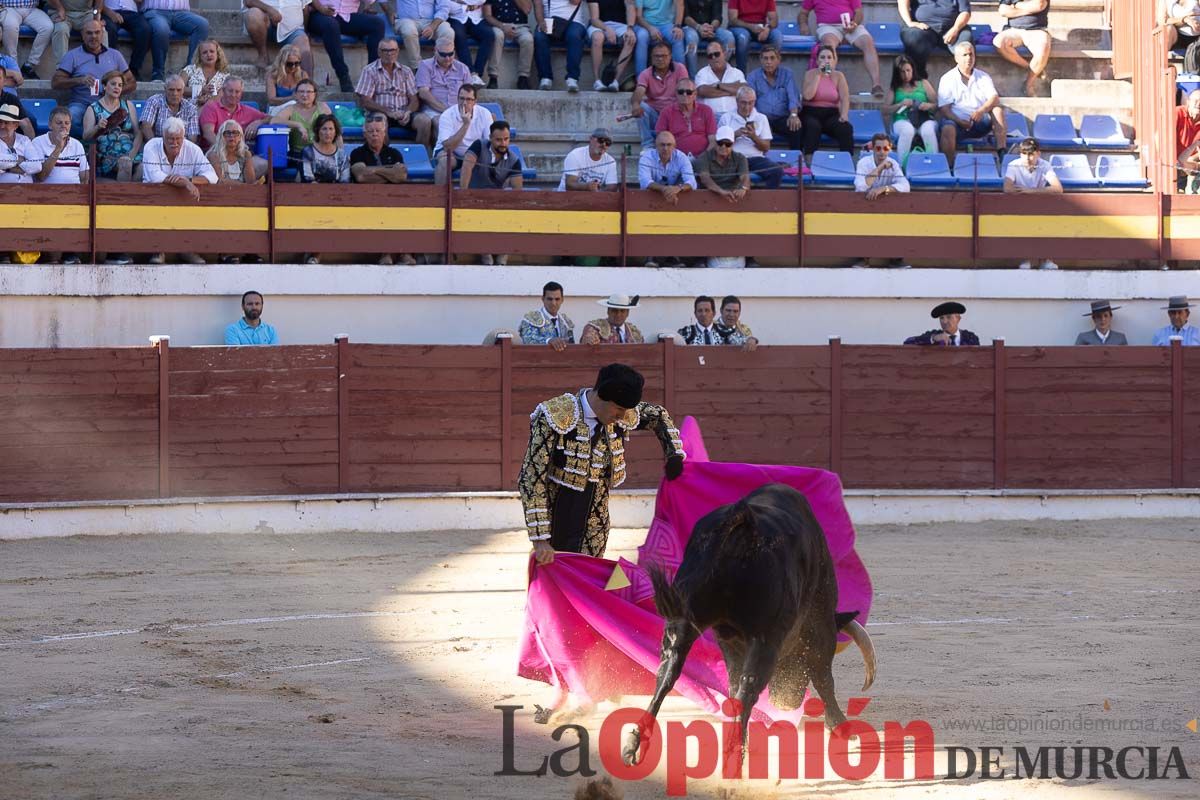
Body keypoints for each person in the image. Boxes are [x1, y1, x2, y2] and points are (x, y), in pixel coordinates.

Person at [519, 361, 684, 562]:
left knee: (588, 574)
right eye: (618, 408)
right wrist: (540, 538)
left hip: (596, 515)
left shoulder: (622, 412)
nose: (622, 416)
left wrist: (674, 454)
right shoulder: (555, 414)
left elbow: (659, 416)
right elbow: (531, 476)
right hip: (558, 510)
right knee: (555, 576)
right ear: (602, 396)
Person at [142, 116, 215, 265]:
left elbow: (212, 176)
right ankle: (158, 249)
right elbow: (155, 176)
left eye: (178, 139)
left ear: (184, 137)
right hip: (154, 201)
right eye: (170, 139)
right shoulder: (151, 146)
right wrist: (184, 182)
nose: (174, 143)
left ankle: (187, 249)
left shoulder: (192, 149)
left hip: (183, 203)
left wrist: (189, 180)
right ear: (163, 136)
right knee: (158, 195)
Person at [51, 19, 137, 137]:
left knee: (126, 119)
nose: (93, 36)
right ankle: (85, 146)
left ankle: (100, 144)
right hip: (81, 103)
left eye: (97, 32)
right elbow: (56, 83)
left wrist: (113, 91)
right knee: (68, 119)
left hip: (109, 103)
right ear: (82, 34)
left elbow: (132, 83)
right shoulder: (72, 55)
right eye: (89, 33)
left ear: (102, 34)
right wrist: (79, 80)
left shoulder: (115, 55)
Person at [350, 114, 416, 265]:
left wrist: (374, 171)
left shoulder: (394, 153)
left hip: (394, 198)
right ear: (365, 133)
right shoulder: (357, 153)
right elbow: (361, 176)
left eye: (378, 131)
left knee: (405, 211)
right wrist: (389, 171)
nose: (374, 134)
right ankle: (385, 253)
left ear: (384, 132)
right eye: (371, 131)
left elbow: (401, 176)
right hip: (367, 199)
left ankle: (404, 252)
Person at [461, 120, 523, 265]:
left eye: (506, 139)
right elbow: (466, 167)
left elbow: (518, 192)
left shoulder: (514, 160)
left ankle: (502, 255)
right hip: (473, 198)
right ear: (490, 138)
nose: (503, 143)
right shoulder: (479, 145)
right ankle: (487, 254)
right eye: (498, 140)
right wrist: (464, 194)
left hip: (496, 202)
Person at [937, 41, 1005, 166]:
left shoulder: (983, 76)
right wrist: (959, 121)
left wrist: (981, 110)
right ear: (956, 58)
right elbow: (944, 109)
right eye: (965, 55)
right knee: (947, 128)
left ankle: (1002, 153)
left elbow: (995, 98)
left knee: (998, 111)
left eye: (971, 55)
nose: (969, 58)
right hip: (957, 122)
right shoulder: (947, 78)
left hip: (979, 121)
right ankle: (949, 167)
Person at [799, 0, 882, 97]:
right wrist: (803, 25)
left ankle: (876, 85)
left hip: (851, 24)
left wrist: (854, 23)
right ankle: (828, 84)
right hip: (827, 26)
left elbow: (859, 12)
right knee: (829, 45)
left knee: (868, 42)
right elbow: (803, 13)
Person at [1003, 137, 1061, 270]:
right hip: (1019, 204)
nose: (1027, 158)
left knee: (1047, 225)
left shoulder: (1044, 165)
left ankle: (1047, 258)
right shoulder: (1014, 165)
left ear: (1038, 154)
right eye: (1024, 154)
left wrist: (1030, 191)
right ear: (1020, 154)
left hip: (1039, 203)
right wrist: (1029, 193)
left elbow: (1058, 188)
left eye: (1031, 154)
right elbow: (1007, 188)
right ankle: (1027, 258)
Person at [853, 132, 909, 268]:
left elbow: (905, 186)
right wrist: (880, 167)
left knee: (897, 221)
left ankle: (895, 259)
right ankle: (863, 258)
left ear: (890, 148)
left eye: (885, 148)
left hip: (886, 205)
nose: (881, 152)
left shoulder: (894, 164)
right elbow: (861, 187)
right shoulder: (864, 163)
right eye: (878, 148)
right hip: (864, 204)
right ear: (872, 148)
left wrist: (885, 189)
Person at [306, 0, 386, 92]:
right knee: (331, 26)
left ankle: (372, 76)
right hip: (321, 13)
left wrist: (367, 5)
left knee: (378, 24)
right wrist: (321, 8)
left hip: (347, 15)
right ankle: (343, 75)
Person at [81, 69, 142, 182]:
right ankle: (121, 198)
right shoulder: (93, 108)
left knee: (144, 167)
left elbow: (138, 133)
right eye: (113, 84)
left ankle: (133, 196)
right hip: (107, 154)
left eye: (120, 85)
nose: (117, 87)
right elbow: (86, 136)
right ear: (104, 86)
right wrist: (97, 127)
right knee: (126, 165)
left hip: (130, 151)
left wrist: (132, 154)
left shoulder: (128, 105)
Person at [720, 86, 782, 189]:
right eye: (743, 102)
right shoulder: (726, 117)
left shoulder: (761, 118)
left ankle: (768, 202)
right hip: (733, 158)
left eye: (751, 103)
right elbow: (720, 146)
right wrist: (734, 135)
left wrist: (754, 137)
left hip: (755, 158)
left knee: (776, 171)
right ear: (737, 101)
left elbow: (766, 147)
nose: (747, 107)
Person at [629, 41, 689, 147]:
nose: (660, 59)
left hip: (675, 112)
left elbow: (685, 88)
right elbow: (639, 90)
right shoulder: (645, 73)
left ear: (670, 56)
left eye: (664, 56)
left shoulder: (680, 69)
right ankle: (648, 145)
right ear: (652, 58)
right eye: (656, 56)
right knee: (641, 107)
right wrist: (635, 104)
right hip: (655, 114)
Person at [801, 44, 853, 163]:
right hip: (811, 111)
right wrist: (819, 75)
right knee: (813, 126)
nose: (826, 60)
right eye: (822, 57)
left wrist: (844, 114)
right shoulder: (810, 74)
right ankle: (810, 162)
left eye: (829, 57)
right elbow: (808, 96)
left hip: (831, 113)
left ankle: (847, 162)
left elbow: (845, 97)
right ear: (817, 60)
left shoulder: (838, 76)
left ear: (834, 60)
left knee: (845, 128)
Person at [433, 83, 494, 184]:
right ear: (457, 99)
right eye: (462, 98)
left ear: (475, 102)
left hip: (474, 154)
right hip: (450, 152)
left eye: (469, 99)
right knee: (445, 162)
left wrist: (473, 156)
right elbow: (448, 147)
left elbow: (489, 144)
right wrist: (466, 125)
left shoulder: (485, 114)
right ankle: (439, 197)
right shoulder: (447, 115)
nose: (465, 103)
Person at [884, 53, 938, 164]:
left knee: (928, 131)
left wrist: (928, 106)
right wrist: (900, 104)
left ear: (913, 70)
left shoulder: (923, 83)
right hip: (902, 120)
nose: (906, 74)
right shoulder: (895, 88)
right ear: (897, 73)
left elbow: (937, 104)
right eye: (902, 72)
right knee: (907, 131)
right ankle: (901, 165)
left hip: (924, 118)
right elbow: (884, 110)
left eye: (908, 70)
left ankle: (933, 163)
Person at [898, 0, 972, 80]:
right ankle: (917, 83)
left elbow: (965, 12)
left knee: (965, 46)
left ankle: (967, 80)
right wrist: (910, 22)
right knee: (914, 38)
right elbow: (903, 2)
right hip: (922, 27)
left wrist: (956, 29)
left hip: (953, 28)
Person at [746, 45, 800, 151]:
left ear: (778, 59)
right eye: (765, 58)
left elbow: (793, 97)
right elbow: (750, 101)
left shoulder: (787, 74)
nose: (768, 62)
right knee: (753, 130)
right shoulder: (753, 77)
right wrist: (762, 122)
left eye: (772, 58)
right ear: (760, 60)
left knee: (796, 126)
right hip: (761, 118)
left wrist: (794, 114)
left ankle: (795, 161)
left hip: (782, 118)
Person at [994, 0, 1051, 97]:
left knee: (1044, 47)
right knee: (998, 42)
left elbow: (1040, 5)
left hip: (1037, 30)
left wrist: (1016, 5)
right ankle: (1030, 67)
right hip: (1014, 30)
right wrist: (1029, 10)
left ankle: (1028, 85)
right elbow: (1003, 11)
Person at [199, 77, 269, 151]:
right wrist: (227, 150)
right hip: (214, 152)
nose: (233, 95)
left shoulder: (246, 110)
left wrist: (259, 122)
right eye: (230, 91)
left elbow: (271, 118)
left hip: (238, 153)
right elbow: (208, 134)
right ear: (223, 91)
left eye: (237, 92)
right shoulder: (211, 108)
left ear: (241, 93)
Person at [245, 0, 314, 74]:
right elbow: (249, 1)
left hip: (293, 30)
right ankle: (263, 56)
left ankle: (307, 83)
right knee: (253, 14)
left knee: (304, 45)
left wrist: (304, 32)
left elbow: (305, 9)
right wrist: (269, 9)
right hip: (266, 26)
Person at [534, 0, 588, 92]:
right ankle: (545, 78)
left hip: (574, 22)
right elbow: (538, 6)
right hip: (551, 22)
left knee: (574, 36)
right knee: (539, 37)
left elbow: (575, 2)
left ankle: (572, 78)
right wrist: (541, 22)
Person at [655, 78, 716, 157]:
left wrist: (704, 158)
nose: (684, 95)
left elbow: (712, 140)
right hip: (676, 158)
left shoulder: (706, 110)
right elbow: (661, 139)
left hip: (703, 158)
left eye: (689, 92)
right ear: (676, 94)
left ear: (695, 95)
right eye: (681, 92)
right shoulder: (666, 112)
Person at [273, 78, 331, 159]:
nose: (304, 95)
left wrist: (341, 153)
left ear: (315, 94)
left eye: (309, 92)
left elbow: (335, 131)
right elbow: (274, 121)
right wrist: (297, 125)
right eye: (301, 91)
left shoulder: (322, 107)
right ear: (296, 94)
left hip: (320, 151)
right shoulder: (290, 109)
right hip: (298, 153)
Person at [143, 0, 210, 69]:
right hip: (155, 11)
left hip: (182, 13)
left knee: (202, 25)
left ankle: (191, 69)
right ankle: (158, 73)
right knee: (162, 30)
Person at [392, 0, 455, 72]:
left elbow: (444, 8)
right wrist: (389, 11)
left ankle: (442, 66)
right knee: (409, 31)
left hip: (431, 21)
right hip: (406, 20)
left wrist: (432, 26)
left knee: (447, 32)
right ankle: (417, 68)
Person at [588, 0, 637, 90]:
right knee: (597, 38)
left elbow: (630, 7)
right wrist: (607, 29)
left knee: (630, 39)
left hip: (621, 25)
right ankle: (597, 80)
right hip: (599, 24)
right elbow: (594, 19)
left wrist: (630, 28)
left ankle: (615, 81)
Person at [484, 0, 533, 89]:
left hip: (520, 26)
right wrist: (502, 26)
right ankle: (493, 77)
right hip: (498, 25)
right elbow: (487, 15)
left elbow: (527, 9)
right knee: (497, 36)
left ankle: (523, 77)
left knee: (528, 39)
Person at [2, 0, 56, 81]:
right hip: (9, 8)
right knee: (10, 25)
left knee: (48, 27)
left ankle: (29, 65)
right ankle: (13, 66)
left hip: (31, 9)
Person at [416, 43, 472, 119]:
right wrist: (447, 111)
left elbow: (470, 93)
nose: (447, 58)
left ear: (454, 51)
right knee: (441, 122)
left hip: (458, 110)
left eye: (450, 54)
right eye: (443, 54)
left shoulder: (462, 68)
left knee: (489, 118)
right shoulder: (425, 65)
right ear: (435, 51)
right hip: (433, 111)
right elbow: (423, 93)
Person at [694, 125, 749, 202]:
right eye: (720, 143)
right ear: (715, 142)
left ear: (732, 144)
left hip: (733, 196)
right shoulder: (704, 157)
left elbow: (745, 177)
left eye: (728, 144)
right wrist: (721, 191)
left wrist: (743, 188)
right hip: (708, 197)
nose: (723, 146)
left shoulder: (740, 158)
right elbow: (705, 179)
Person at [140, 74, 200, 143]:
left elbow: (192, 138)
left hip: (181, 148)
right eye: (171, 90)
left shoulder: (191, 108)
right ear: (165, 89)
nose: (175, 93)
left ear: (183, 91)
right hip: (157, 145)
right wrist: (156, 146)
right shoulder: (154, 101)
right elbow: (145, 126)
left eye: (179, 90)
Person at [446, 0, 493, 87]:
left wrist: (459, 1)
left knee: (489, 35)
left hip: (475, 18)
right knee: (459, 36)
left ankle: (477, 74)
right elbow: (447, 4)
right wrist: (468, 6)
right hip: (456, 17)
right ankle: (470, 73)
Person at [103, 0, 153, 80]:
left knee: (145, 29)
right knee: (110, 30)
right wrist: (109, 13)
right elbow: (96, 4)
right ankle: (111, 70)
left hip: (131, 12)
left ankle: (134, 70)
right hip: (109, 11)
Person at [683, 0, 735, 77]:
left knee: (729, 37)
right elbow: (685, 17)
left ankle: (720, 73)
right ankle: (693, 78)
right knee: (691, 38)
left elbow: (718, 17)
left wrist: (711, 28)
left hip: (711, 28)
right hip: (692, 27)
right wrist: (699, 27)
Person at [634, 0, 687, 77]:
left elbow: (680, 5)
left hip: (667, 24)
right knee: (642, 36)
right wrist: (650, 28)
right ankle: (641, 79)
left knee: (677, 36)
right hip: (646, 24)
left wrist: (677, 26)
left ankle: (681, 78)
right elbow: (638, 16)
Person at [727, 0, 782, 73]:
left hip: (760, 27)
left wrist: (767, 29)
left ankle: (773, 74)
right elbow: (733, 20)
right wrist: (751, 27)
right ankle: (741, 75)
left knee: (777, 36)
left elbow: (774, 20)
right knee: (743, 38)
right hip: (740, 27)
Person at [695, 41, 745, 118]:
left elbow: (743, 90)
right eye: (710, 56)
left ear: (724, 54)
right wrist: (731, 91)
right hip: (710, 117)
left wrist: (719, 85)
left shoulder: (736, 72)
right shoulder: (702, 73)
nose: (714, 57)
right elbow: (702, 91)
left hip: (734, 116)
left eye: (717, 54)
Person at [51, 0, 110, 65]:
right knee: (61, 29)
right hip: (63, 12)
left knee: (100, 30)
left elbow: (99, 2)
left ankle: (103, 65)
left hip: (86, 13)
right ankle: (62, 68)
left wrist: (96, 15)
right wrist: (60, 9)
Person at [519, 281, 575, 349]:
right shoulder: (531, 318)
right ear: (543, 299)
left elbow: (571, 344)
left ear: (562, 300)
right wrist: (548, 341)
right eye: (550, 299)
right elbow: (528, 339)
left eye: (557, 299)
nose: (553, 303)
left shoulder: (566, 321)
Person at [182, 40, 230, 112]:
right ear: (200, 56)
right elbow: (178, 88)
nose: (209, 55)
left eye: (212, 51)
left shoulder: (225, 76)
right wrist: (200, 90)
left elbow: (221, 96)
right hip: (188, 110)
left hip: (213, 112)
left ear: (218, 54)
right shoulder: (190, 69)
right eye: (204, 52)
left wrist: (206, 103)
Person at [903, 300, 980, 345]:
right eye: (941, 318)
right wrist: (933, 338)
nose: (944, 321)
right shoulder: (934, 335)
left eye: (949, 317)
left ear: (958, 319)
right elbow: (907, 342)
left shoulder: (970, 337)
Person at [301, 112, 349, 184]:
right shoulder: (308, 152)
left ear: (335, 132)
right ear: (317, 131)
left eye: (331, 129)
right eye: (324, 129)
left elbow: (345, 180)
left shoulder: (342, 155)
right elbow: (308, 178)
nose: (328, 133)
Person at [207, 118, 258, 183]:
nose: (231, 136)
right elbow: (220, 182)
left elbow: (250, 182)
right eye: (227, 133)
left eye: (235, 133)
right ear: (221, 136)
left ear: (240, 137)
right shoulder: (213, 155)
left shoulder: (246, 155)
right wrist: (243, 186)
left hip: (243, 192)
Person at [580, 294, 645, 343]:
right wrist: (588, 340)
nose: (618, 315)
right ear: (608, 311)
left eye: (622, 311)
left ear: (627, 313)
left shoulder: (634, 332)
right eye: (614, 310)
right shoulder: (595, 328)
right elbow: (587, 341)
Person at [265, 44, 310, 110]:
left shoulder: (303, 75)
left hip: (297, 110)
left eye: (296, 63)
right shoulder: (273, 75)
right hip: (277, 109)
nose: (293, 67)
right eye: (289, 64)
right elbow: (271, 100)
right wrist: (291, 98)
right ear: (282, 63)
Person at [0, 103, 33, 184]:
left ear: (16, 125)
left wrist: (7, 169)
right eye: (0, 122)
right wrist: (17, 159)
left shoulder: (24, 140)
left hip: (26, 190)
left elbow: (36, 166)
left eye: (6, 123)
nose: (2, 126)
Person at [1177, 89, 1200, 191]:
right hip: (1173, 163)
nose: (1198, 104)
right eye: (1195, 100)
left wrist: (1193, 158)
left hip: (1190, 163)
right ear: (1188, 102)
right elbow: (1158, 137)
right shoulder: (1178, 113)